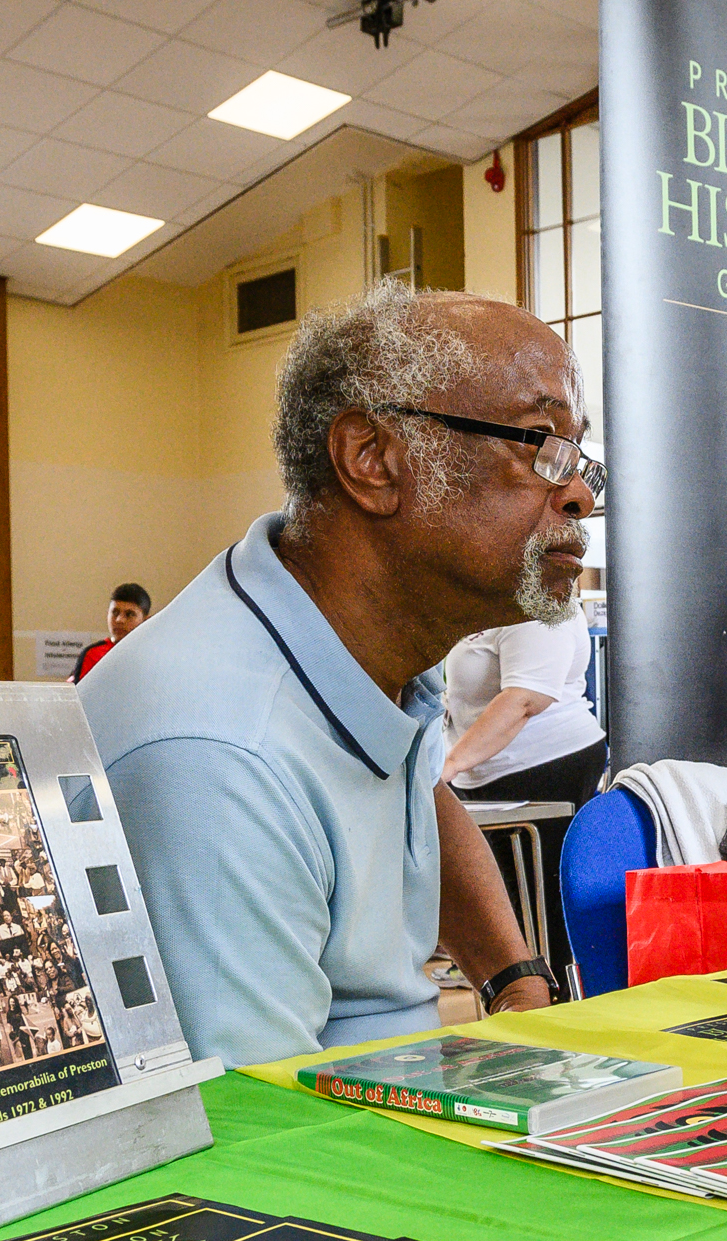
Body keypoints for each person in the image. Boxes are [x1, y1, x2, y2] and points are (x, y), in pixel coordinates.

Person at [81, 280, 601, 1064]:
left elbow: (416, 780)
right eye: (539, 442)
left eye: (580, 451)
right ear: (372, 460)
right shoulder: (218, 752)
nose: (581, 494)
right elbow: (256, 1142)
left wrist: (516, 978)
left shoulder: (370, 657)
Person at [439, 612, 604, 806]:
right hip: (480, 768)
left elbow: (524, 701)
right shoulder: (496, 603)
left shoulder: (542, 604)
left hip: (542, 763)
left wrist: (453, 763)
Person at [70, 583, 146, 682]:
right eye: (115, 612)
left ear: (145, 620)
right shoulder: (92, 654)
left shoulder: (153, 655)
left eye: (129, 614)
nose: (119, 620)